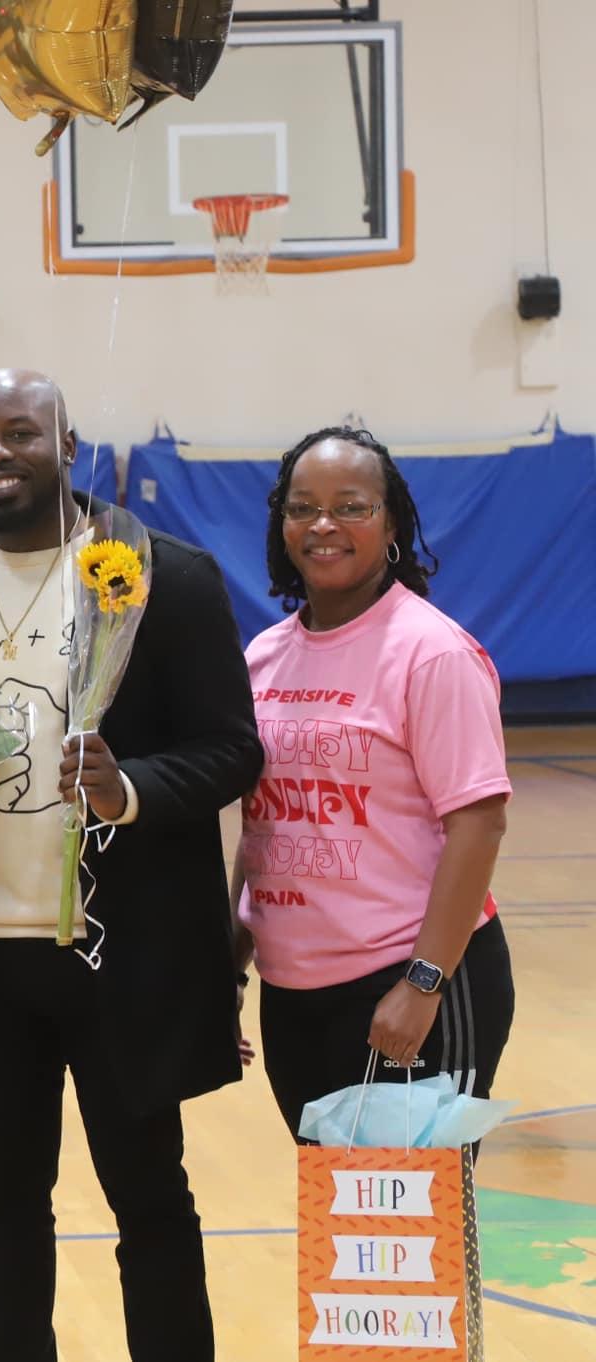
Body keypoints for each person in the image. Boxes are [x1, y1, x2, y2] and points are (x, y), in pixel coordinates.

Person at [0, 369, 263, 1362]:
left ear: (66, 445)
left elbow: (228, 750)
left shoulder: (156, 573)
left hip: (112, 949)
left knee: (146, 1192)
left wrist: (124, 789)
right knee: (2, 1193)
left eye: (17, 433)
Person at [234, 428, 514, 1139]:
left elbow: (478, 824)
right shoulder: (264, 657)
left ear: (391, 525)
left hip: (408, 983)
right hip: (292, 992)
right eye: (303, 508)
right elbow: (261, 825)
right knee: (341, 1233)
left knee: (413, 1239)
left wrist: (424, 983)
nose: (323, 525)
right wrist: (229, 969)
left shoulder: (432, 652)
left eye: (350, 506)